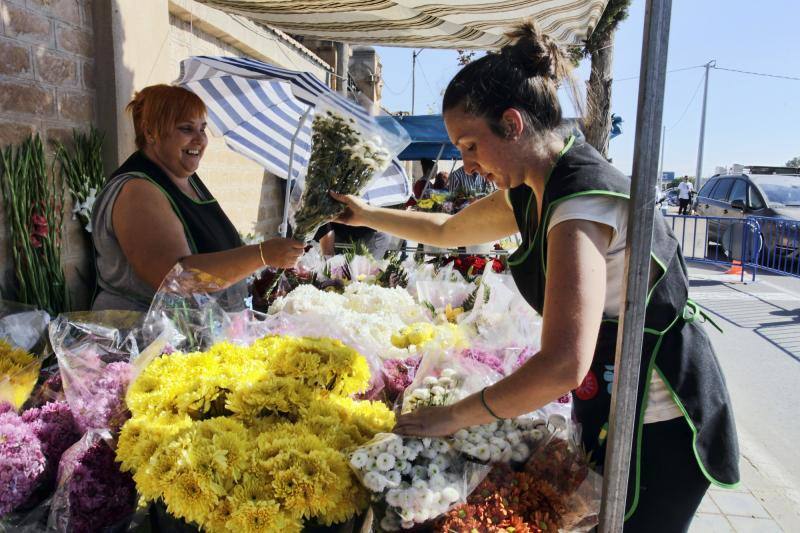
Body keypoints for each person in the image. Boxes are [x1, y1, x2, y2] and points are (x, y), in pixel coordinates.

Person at [331, 21, 739, 532]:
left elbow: (563, 364)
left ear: (512, 123)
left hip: (656, 419)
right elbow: (450, 228)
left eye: (471, 145)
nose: (467, 163)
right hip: (611, 399)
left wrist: (453, 416)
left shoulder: (579, 200)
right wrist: (366, 214)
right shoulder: (532, 187)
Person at [91, 85, 304, 311]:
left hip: (204, 333)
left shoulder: (185, 178)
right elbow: (177, 278)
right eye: (186, 129)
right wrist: (261, 255)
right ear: (151, 132)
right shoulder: (137, 191)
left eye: (202, 129)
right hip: (146, 338)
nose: (200, 140)